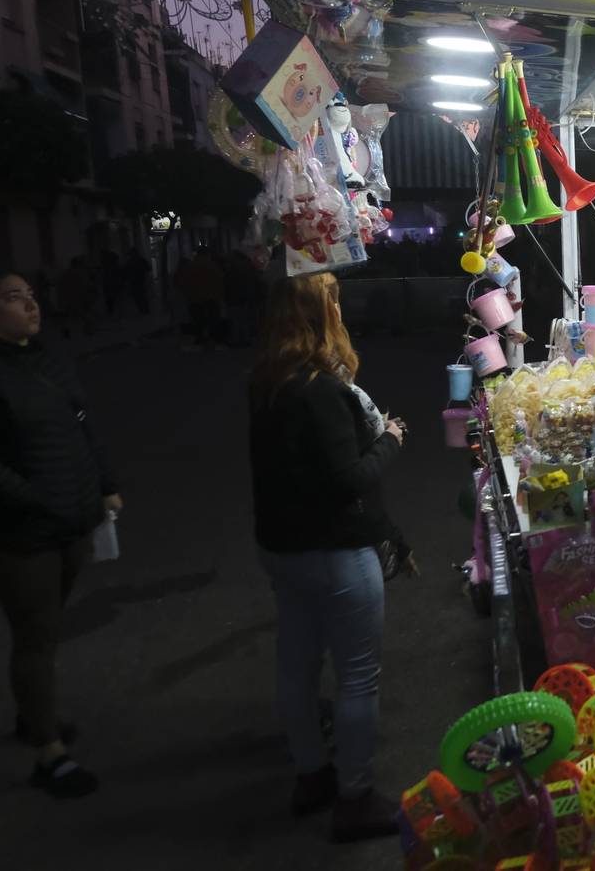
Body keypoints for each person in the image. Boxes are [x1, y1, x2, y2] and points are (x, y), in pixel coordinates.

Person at [247, 272, 409, 842]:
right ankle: (355, 797)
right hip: (335, 552)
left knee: (296, 665)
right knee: (357, 678)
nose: (341, 308)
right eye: (333, 300)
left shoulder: (268, 381)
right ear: (321, 314)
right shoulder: (318, 390)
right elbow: (348, 481)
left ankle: (312, 776)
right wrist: (388, 438)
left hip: (282, 549)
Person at [0, 264, 122, 798]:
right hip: (16, 532)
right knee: (34, 637)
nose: (31, 305)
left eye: (31, 295)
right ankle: (47, 753)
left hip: (73, 519)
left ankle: (30, 714)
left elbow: (84, 424)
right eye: (13, 297)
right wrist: (38, 500)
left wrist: (104, 483)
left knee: (47, 628)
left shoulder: (50, 358)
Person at [178, 246, 226, 348]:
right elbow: (219, 281)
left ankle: (199, 338)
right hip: (211, 297)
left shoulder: (190, 266)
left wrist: (188, 294)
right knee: (212, 319)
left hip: (195, 298)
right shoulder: (213, 265)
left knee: (198, 320)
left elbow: (184, 281)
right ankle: (213, 338)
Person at [123, 248, 152, 315]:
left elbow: (126, 271)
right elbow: (148, 268)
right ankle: (144, 309)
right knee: (141, 296)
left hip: (136, 281)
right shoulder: (140, 260)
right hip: (139, 281)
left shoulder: (132, 261)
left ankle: (143, 309)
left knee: (139, 296)